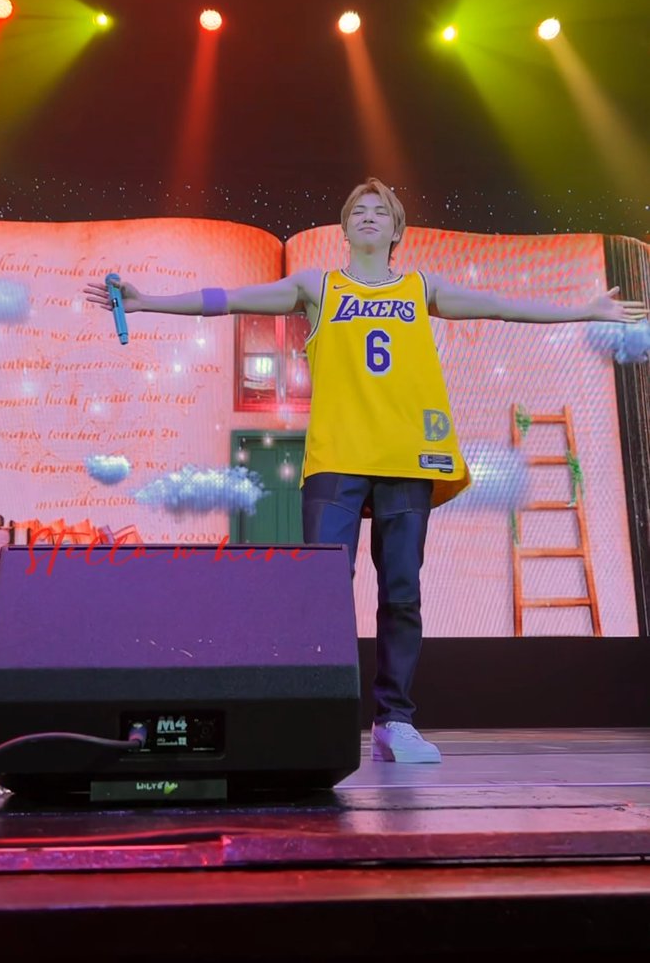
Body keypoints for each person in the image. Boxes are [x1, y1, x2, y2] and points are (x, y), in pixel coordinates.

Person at [84, 178, 648, 763]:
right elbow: (228, 298)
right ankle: (318, 715)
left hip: (407, 457)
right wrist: (148, 301)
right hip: (337, 458)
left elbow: (502, 306)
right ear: (346, 227)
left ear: (397, 229)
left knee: (402, 592)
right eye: (359, 209)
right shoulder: (318, 286)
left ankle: (394, 721)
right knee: (323, 590)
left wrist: (584, 309)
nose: (370, 215)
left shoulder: (419, 287)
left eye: (381, 210)